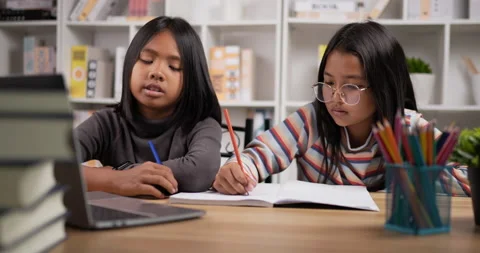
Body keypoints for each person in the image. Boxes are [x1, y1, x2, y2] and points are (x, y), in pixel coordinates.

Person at [213, 21, 470, 196]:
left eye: (351, 87)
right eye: (328, 83)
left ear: (384, 89)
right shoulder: (310, 120)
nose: (335, 97)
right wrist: (239, 170)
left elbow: (469, 179)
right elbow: (260, 155)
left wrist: (426, 172)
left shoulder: (408, 128)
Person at [75, 16, 222, 199]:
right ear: (130, 64)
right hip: (118, 222)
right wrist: (115, 180)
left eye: (174, 66)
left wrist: (119, 173)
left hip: (180, 223)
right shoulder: (106, 122)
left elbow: (201, 170)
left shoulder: (201, 124)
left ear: (192, 79)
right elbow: (48, 166)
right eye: (147, 59)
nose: (156, 73)